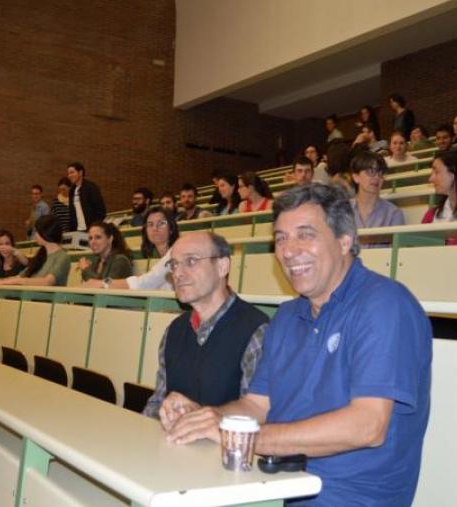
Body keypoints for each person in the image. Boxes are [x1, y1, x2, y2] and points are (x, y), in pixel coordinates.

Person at [162, 183, 432, 507]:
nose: (288, 251)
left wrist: (247, 439)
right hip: (274, 484)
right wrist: (209, 417)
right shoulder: (287, 316)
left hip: (343, 498)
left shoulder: (385, 305)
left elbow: (368, 425)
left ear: (345, 240)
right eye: (281, 238)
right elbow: (257, 406)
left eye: (305, 234)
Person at [142, 232, 268, 418]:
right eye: (174, 264)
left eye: (191, 261)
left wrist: (201, 418)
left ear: (222, 266)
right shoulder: (174, 330)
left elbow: (256, 416)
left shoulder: (256, 331)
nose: (178, 273)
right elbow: (158, 401)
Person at [82, 206, 180, 291]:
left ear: (171, 228)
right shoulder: (162, 260)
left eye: (161, 223)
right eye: (150, 224)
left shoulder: (175, 254)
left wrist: (102, 283)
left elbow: (143, 283)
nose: (155, 228)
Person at [0, 215, 70, 286]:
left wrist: (15, 282)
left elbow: (47, 282)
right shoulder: (41, 255)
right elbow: (19, 276)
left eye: (37, 231)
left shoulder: (62, 257)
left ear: (45, 233)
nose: (35, 234)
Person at [350, 151, 405, 228]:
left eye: (381, 173)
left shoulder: (393, 213)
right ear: (356, 177)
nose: (377, 177)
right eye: (371, 172)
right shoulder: (342, 211)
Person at [66, 162, 107, 232]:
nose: (69, 175)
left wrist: (94, 227)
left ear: (80, 172)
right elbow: (72, 214)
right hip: (77, 230)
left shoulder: (91, 187)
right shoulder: (72, 191)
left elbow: (101, 211)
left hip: (91, 230)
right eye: (68, 173)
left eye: (72, 172)